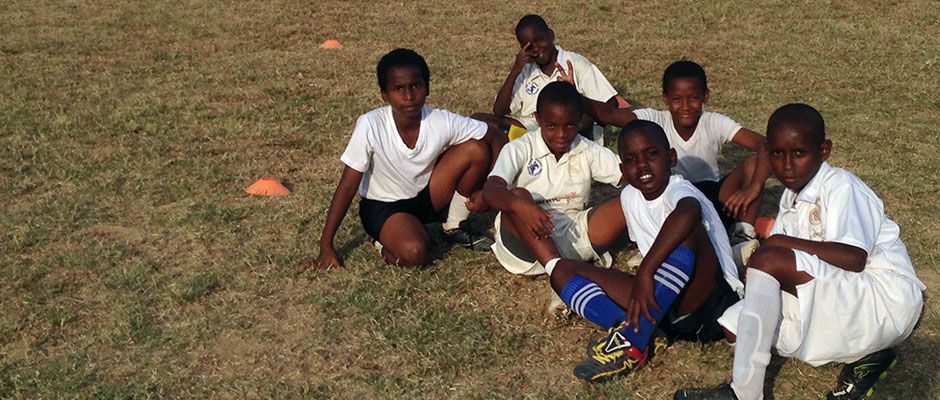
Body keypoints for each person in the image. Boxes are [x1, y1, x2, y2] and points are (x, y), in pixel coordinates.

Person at [674, 104, 925, 400]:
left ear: (824, 151)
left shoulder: (841, 185)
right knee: (736, 328)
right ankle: (866, 355)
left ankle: (744, 393)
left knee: (769, 257)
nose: (787, 166)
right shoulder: (790, 199)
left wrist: (777, 245)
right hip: (843, 297)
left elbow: (854, 258)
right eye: (777, 154)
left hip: (884, 300)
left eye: (799, 154)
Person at [544, 120, 743, 382]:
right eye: (631, 159)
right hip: (662, 303)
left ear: (671, 158)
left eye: (652, 154)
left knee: (687, 229)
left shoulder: (679, 189)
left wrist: (647, 271)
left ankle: (632, 341)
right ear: (622, 169)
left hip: (707, 300)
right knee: (560, 270)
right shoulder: (629, 197)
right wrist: (646, 277)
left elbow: (688, 212)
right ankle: (635, 330)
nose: (642, 165)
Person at [316, 48, 506, 268]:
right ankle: (381, 241)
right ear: (384, 95)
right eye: (399, 89)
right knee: (415, 253)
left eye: (416, 86)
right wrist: (326, 245)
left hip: (427, 195)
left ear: (427, 87)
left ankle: (453, 225)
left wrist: (490, 188)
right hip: (384, 206)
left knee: (476, 149)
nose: (409, 96)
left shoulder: (439, 119)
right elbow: (348, 184)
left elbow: (495, 136)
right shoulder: (370, 124)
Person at [580, 61, 770, 250]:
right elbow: (614, 116)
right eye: (677, 99)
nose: (686, 106)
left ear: (706, 96)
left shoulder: (714, 122)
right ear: (665, 98)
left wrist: (754, 187)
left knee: (753, 162)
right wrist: (574, 97)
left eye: (694, 98)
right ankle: (657, 242)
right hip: (671, 203)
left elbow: (765, 145)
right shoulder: (656, 119)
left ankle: (743, 237)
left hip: (713, 199)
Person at [482, 81, 624, 315]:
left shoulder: (586, 149)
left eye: (570, 125)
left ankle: (646, 246)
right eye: (551, 126)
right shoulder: (520, 148)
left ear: (580, 120)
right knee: (518, 195)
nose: (561, 134)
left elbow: (625, 174)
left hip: (572, 231)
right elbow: (491, 190)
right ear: (538, 119)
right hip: (526, 240)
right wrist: (519, 205)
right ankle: (561, 276)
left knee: (630, 197)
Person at [471, 14, 622, 143]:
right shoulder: (526, 70)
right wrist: (515, 70)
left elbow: (610, 102)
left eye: (540, 40)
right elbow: (499, 111)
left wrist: (578, 116)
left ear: (551, 35)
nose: (536, 49)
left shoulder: (575, 63)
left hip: (566, 130)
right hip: (532, 127)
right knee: (478, 120)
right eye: (529, 46)